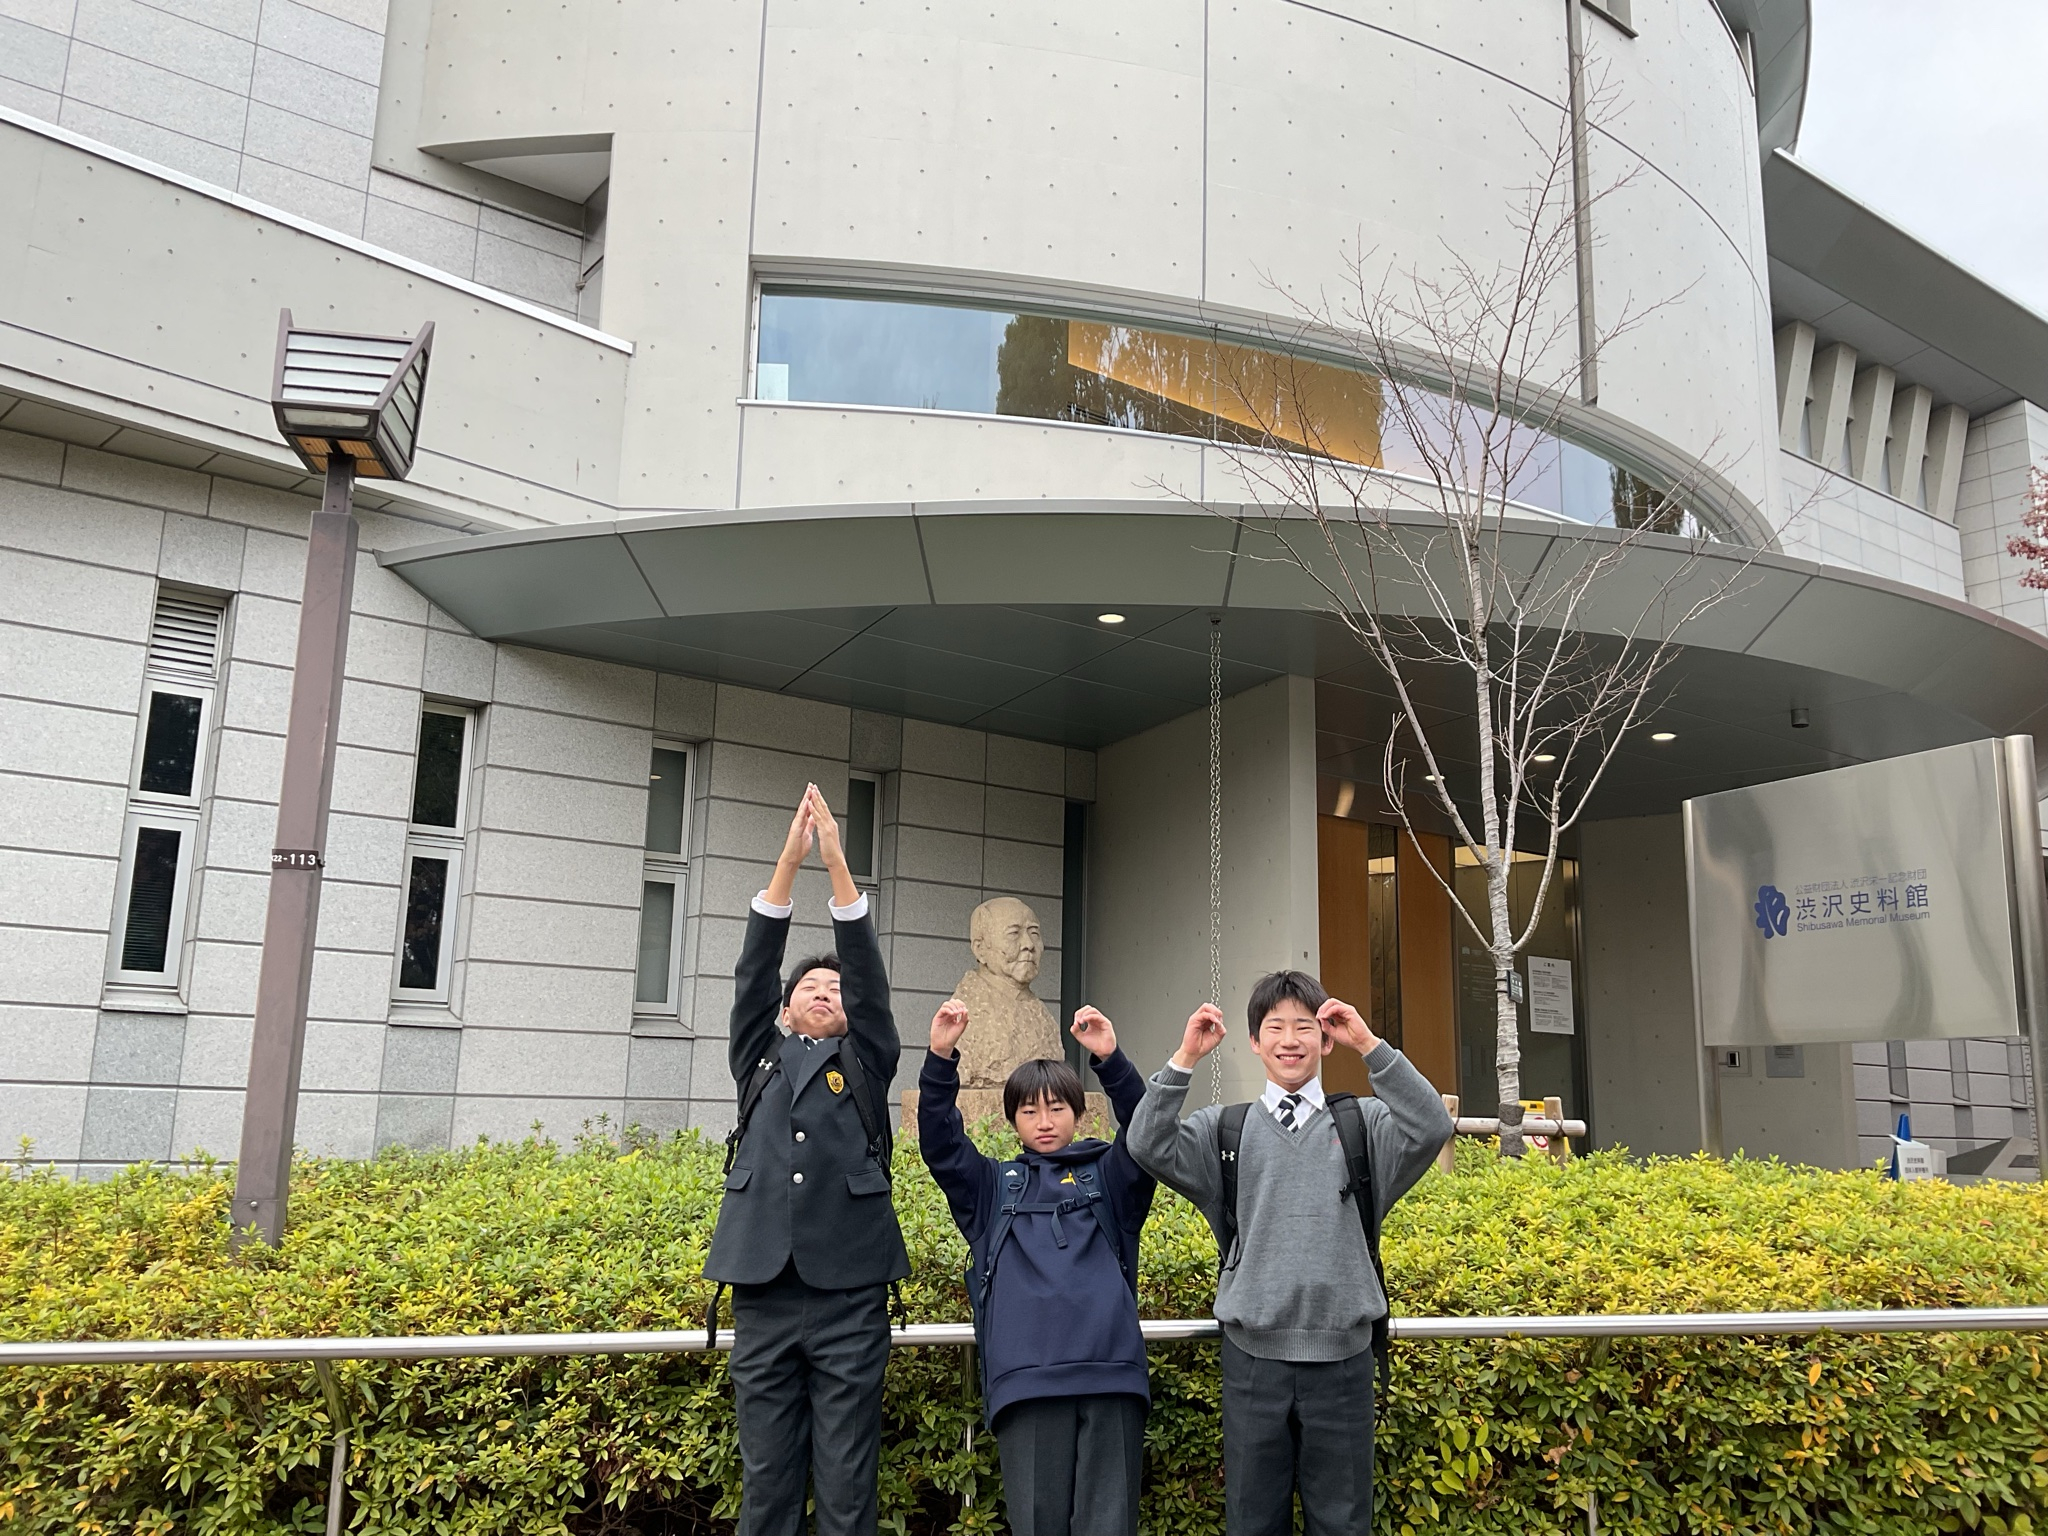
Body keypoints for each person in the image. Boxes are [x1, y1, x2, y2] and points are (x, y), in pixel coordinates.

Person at [1126, 971, 1454, 1536]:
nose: (1289, 1040)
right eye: (1274, 1027)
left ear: (1326, 1040)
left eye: (1304, 1027)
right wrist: (1185, 1058)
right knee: (1252, 1523)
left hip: (1344, 1362)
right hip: (1253, 1363)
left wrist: (1368, 1044)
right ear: (1255, 1042)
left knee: (1343, 1524)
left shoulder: (1365, 1126)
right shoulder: (1224, 1131)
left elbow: (1431, 1125)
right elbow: (1146, 1142)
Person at [703, 784, 910, 1536]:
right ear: (786, 1009)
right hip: (762, 1288)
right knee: (767, 1482)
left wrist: (838, 867)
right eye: (809, 987)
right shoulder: (757, 1056)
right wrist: (788, 866)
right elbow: (752, 974)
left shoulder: (867, 1057)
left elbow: (871, 980)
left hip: (850, 1291)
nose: (824, 992)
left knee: (849, 1485)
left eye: (835, 988)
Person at [917, 999, 1158, 1536]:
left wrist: (1111, 1059)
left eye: (1056, 1108)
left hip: (1111, 1378)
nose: (1044, 1122)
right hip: (1025, 1384)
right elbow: (940, 1144)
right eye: (1029, 1111)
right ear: (1012, 1121)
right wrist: (940, 1058)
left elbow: (1147, 1134)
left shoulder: (1111, 1178)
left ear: (1079, 1113)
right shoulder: (992, 1187)